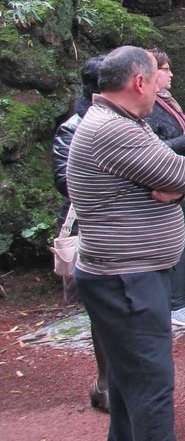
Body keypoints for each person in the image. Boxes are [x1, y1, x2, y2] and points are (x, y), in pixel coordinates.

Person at [67, 46, 185, 441]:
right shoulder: (114, 130)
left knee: (128, 375)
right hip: (126, 277)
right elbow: (184, 173)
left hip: (124, 272)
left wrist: (170, 186)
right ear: (140, 82)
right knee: (151, 379)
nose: (162, 88)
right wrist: (173, 185)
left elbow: (175, 174)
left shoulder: (120, 122)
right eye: (158, 80)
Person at [51, 54, 109, 412]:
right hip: (89, 227)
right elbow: (65, 180)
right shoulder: (72, 128)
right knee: (101, 310)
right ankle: (106, 383)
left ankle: (114, 382)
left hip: (119, 227)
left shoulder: (128, 121)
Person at [145, 50, 185, 328]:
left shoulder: (166, 101)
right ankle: (175, 305)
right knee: (179, 239)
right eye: (165, 69)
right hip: (166, 186)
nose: (171, 74)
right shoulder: (148, 107)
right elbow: (149, 149)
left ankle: (178, 296)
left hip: (183, 183)